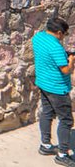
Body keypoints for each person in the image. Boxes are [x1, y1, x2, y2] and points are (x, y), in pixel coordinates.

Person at [37, 16, 74, 161]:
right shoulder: (56, 47)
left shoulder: (38, 38)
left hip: (43, 82)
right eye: (64, 34)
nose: (64, 37)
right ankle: (63, 154)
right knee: (66, 120)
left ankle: (45, 145)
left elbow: (48, 56)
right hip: (58, 88)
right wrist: (71, 60)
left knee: (47, 113)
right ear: (59, 32)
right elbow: (66, 70)